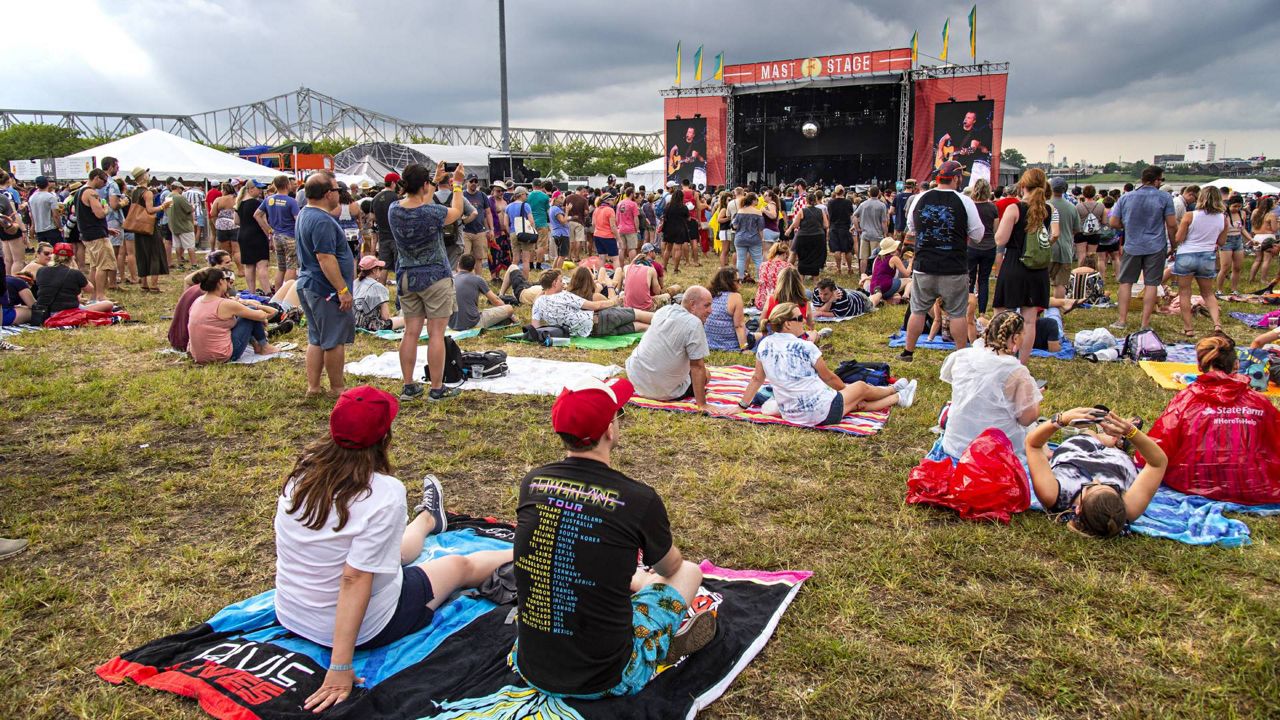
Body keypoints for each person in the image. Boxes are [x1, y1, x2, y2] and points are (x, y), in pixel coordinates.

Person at [277, 386, 512, 712]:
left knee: (393, 553)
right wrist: (340, 665)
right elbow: (354, 578)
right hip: (366, 628)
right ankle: (532, 544)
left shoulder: (300, 476)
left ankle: (429, 519)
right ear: (384, 436)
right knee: (459, 567)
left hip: (292, 614)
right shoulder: (384, 492)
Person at [511, 375, 715, 699]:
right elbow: (670, 567)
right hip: (606, 677)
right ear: (609, 430)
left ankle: (639, 599)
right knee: (690, 571)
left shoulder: (532, 482)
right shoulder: (638, 499)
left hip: (530, 665)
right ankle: (657, 648)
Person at [721, 303, 914, 426]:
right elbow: (829, 377)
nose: (803, 320)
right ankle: (892, 389)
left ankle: (898, 397)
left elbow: (756, 379)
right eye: (799, 318)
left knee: (854, 401)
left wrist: (742, 405)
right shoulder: (806, 346)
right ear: (787, 324)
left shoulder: (764, 345)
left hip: (792, 414)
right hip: (820, 411)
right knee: (860, 388)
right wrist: (845, 390)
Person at [1143, 335, 1280, 505]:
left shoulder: (1186, 399)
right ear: (1236, 365)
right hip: (1254, 485)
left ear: (1200, 367)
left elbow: (1159, 444)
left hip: (1190, 481)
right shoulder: (1258, 402)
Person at [1024, 408, 1167, 538]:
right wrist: (1131, 431)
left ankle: (1106, 437)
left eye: (1090, 486)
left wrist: (1060, 419)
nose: (1097, 480)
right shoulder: (1129, 508)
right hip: (1116, 460)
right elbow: (1158, 463)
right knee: (1102, 441)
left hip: (1076, 453)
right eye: (1112, 487)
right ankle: (1115, 440)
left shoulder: (1053, 494)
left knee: (1089, 433)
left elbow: (1033, 444)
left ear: (1078, 509)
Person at [388, 162, 466, 402]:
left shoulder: (394, 209)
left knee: (410, 333)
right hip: (435, 277)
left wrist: (433, 180)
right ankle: (436, 387)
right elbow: (456, 212)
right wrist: (457, 185)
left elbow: (419, 200)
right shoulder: (431, 213)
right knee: (435, 333)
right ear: (423, 185)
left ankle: (408, 385)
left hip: (407, 277)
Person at [900, 161, 985, 361]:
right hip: (954, 266)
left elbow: (911, 228)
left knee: (918, 310)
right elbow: (978, 234)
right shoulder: (964, 201)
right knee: (956, 313)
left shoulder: (920, 198)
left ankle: (908, 351)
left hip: (924, 265)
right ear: (956, 178)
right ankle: (960, 355)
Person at [939, 311, 1042, 465]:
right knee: (1035, 435)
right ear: (1015, 338)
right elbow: (1027, 419)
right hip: (993, 454)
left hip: (955, 445)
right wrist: (1033, 399)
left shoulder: (962, 356)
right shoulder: (1015, 370)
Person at [296, 172, 357, 398]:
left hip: (309, 284)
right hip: (325, 289)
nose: (339, 193)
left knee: (317, 338)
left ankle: (313, 387)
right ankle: (337, 388)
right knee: (333, 340)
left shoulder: (305, 213)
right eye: (336, 190)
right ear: (326, 194)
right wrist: (342, 290)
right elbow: (325, 258)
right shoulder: (322, 220)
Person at [993, 168, 1057, 365]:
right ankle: (1023, 364)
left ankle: (1002, 358)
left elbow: (1000, 239)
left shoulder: (1015, 208)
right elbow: (1054, 235)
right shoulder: (1049, 210)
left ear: (1022, 186)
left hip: (1014, 264)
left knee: (1002, 314)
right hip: (1037, 270)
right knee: (1030, 320)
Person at [625, 286, 713, 410]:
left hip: (636, 381)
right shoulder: (694, 323)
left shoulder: (664, 310)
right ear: (692, 305)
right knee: (706, 374)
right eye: (707, 305)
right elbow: (697, 367)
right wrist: (702, 405)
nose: (711, 310)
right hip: (663, 391)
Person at [1110, 166, 1175, 332]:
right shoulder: (1165, 198)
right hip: (1156, 245)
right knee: (1152, 283)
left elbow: (1113, 222)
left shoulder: (1126, 197)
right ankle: (1145, 323)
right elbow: (1172, 224)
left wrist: (1128, 227)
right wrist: (1174, 245)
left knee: (1126, 282)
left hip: (1132, 245)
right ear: (1156, 180)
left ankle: (1121, 320)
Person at [186, 268, 280, 363]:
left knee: (248, 315)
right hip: (221, 356)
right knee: (250, 313)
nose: (228, 282)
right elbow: (261, 316)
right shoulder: (224, 304)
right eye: (226, 279)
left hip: (198, 356)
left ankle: (258, 345)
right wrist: (257, 308)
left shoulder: (197, 301)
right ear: (220, 282)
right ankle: (265, 346)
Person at [1171, 186, 1226, 336]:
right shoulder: (1222, 218)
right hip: (1207, 255)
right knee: (1208, 293)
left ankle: (1188, 328)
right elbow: (1221, 241)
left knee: (1184, 293)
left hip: (1187, 254)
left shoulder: (1190, 215)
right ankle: (1217, 324)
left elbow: (1178, 238)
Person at [531, 269, 653, 337]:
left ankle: (660, 330)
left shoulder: (538, 303)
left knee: (638, 326)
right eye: (560, 281)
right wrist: (613, 301)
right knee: (638, 314)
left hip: (593, 333)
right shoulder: (563, 296)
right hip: (599, 320)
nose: (563, 283)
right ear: (554, 283)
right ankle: (668, 323)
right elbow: (596, 305)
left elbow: (535, 328)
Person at [30, 243, 114, 326]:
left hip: (45, 311)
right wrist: (75, 267)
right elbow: (90, 289)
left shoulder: (41, 271)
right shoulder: (74, 273)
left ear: (54, 256)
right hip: (68, 312)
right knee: (108, 304)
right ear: (71, 258)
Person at [257, 175, 301, 292]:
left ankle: (277, 294)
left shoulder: (269, 199)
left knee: (281, 267)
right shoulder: (291, 201)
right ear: (288, 185)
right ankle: (287, 293)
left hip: (276, 236)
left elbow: (257, 215)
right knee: (292, 266)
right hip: (290, 236)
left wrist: (269, 230)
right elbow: (298, 220)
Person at [450, 253, 514, 331]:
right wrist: (510, 314)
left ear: (458, 265)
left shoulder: (449, 279)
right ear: (473, 267)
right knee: (509, 308)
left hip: (451, 324)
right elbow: (496, 301)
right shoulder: (477, 279)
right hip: (472, 323)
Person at [1046, 177, 1081, 300]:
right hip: (1065, 249)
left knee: (1042, 281)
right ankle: (1057, 311)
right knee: (1060, 284)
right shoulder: (1072, 207)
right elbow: (1077, 229)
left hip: (1046, 247)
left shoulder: (1045, 205)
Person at [703, 267, 752, 351]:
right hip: (731, 343)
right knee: (761, 335)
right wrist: (744, 348)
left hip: (710, 343)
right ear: (729, 282)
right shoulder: (735, 297)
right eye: (738, 281)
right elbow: (739, 326)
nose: (741, 283)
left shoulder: (709, 294)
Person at [353, 255, 405, 333]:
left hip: (353, 323)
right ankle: (426, 321)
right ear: (374, 270)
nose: (381, 271)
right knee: (407, 320)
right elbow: (385, 317)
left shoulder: (355, 283)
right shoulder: (378, 287)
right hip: (371, 326)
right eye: (380, 269)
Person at [236, 180, 272, 293]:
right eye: (258, 188)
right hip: (256, 235)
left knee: (249, 265)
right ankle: (267, 292)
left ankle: (251, 292)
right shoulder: (257, 203)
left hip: (243, 235)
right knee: (262, 264)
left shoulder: (239, 203)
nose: (261, 191)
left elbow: (236, 221)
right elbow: (262, 221)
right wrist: (269, 234)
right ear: (251, 189)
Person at [788, 191, 828, 280]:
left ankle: (801, 281)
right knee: (815, 258)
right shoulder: (821, 211)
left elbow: (796, 224)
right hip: (818, 236)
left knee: (803, 258)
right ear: (815, 200)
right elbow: (826, 225)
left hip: (803, 236)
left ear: (806, 201)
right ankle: (815, 282)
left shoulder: (802, 211)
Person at [1217, 194, 1251, 296]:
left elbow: (1242, 229)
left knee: (1237, 267)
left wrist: (1251, 239)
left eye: (1239, 206)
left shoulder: (1242, 214)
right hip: (1226, 241)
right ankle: (1219, 290)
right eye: (1234, 206)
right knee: (1225, 267)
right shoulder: (1223, 214)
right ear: (1229, 205)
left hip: (1238, 240)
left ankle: (1234, 289)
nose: (1237, 208)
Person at [852, 186, 889, 275]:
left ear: (869, 193)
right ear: (879, 194)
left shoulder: (863, 204)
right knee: (875, 258)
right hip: (876, 235)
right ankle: (874, 275)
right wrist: (885, 233)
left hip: (865, 234)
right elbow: (884, 222)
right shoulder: (882, 205)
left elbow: (854, 216)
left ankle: (862, 276)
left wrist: (858, 228)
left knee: (863, 258)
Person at [460, 174, 492, 273]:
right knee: (463, 259)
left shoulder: (482, 195)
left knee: (479, 259)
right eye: (471, 181)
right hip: (465, 231)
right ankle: (464, 281)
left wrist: (491, 229)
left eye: (475, 181)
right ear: (466, 182)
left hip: (479, 231)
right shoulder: (462, 195)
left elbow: (488, 213)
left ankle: (478, 281)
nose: (474, 183)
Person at [731, 192, 766, 282]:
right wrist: (762, 239)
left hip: (740, 238)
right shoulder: (758, 213)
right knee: (758, 260)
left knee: (741, 259)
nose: (758, 201)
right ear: (753, 201)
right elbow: (760, 228)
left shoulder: (740, 211)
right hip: (754, 239)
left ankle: (740, 279)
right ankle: (760, 279)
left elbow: (734, 226)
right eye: (757, 199)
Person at [659, 181, 691, 274]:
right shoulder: (683, 207)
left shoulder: (668, 206)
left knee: (668, 249)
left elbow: (665, 216)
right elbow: (688, 218)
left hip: (669, 229)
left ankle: (664, 267)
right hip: (680, 229)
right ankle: (675, 269)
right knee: (678, 249)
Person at [868, 238, 912, 306]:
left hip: (872, 288)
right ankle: (905, 296)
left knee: (896, 296)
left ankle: (882, 300)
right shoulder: (894, 258)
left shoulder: (877, 258)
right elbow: (907, 274)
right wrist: (910, 263)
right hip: (886, 286)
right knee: (910, 280)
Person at [372, 173, 402, 271]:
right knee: (399, 266)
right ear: (393, 183)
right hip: (396, 236)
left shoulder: (375, 198)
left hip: (383, 237)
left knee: (383, 267)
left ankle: (381, 285)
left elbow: (372, 217)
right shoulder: (397, 198)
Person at [1246, 197, 1278, 286]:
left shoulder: (1255, 212)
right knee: (1266, 260)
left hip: (1257, 237)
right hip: (1268, 237)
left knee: (1257, 259)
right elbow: (1274, 229)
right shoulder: (1271, 215)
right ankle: (1263, 279)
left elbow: (1252, 226)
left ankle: (1251, 278)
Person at [167, 182, 199, 270]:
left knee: (178, 246)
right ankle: (194, 265)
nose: (182, 191)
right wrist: (193, 206)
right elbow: (190, 209)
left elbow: (166, 211)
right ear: (178, 188)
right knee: (190, 246)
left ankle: (180, 265)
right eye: (181, 189)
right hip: (184, 225)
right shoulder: (180, 198)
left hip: (174, 226)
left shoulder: (168, 197)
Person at [1075, 185, 1106, 271]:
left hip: (1081, 232)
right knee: (1092, 255)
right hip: (1095, 233)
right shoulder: (1101, 206)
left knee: (1081, 255)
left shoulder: (1078, 206)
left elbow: (1076, 222)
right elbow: (1104, 221)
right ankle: (1091, 274)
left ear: (1083, 194)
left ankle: (1080, 275)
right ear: (1094, 194)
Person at [825, 186, 854, 275]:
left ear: (835, 192)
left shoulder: (830, 203)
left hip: (834, 227)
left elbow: (829, 215)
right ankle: (849, 269)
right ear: (843, 192)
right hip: (845, 227)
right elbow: (851, 215)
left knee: (836, 249)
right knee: (848, 250)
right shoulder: (848, 202)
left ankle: (839, 269)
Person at [506, 187, 537, 269]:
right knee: (525, 260)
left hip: (513, 232)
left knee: (515, 259)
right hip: (524, 233)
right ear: (521, 194)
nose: (527, 196)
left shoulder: (508, 207)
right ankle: (525, 280)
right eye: (526, 194)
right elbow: (531, 221)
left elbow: (505, 223)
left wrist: (510, 232)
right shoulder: (526, 206)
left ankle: (512, 277)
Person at [591, 194, 620, 268]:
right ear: (607, 201)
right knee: (615, 258)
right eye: (612, 200)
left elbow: (593, 224)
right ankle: (618, 276)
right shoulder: (610, 210)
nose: (614, 202)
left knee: (601, 257)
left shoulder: (596, 209)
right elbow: (613, 226)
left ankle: (601, 276)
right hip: (608, 236)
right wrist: (619, 239)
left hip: (597, 235)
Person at [528, 181, 552, 265]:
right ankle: (538, 264)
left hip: (530, 222)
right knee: (541, 244)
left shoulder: (528, 196)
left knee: (531, 244)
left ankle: (530, 264)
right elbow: (547, 210)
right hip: (542, 222)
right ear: (541, 186)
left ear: (532, 185)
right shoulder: (545, 196)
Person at [616, 187, 641, 264]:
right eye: (634, 193)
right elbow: (636, 218)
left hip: (620, 228)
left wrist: (618, 226)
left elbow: (617, 216)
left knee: (621, 249)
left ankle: (621, 266)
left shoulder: (619, 203)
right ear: (631, 194)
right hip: (630, 229)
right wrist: (637, 229)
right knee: (632, 248)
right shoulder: (633, 204)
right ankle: (632, 266)